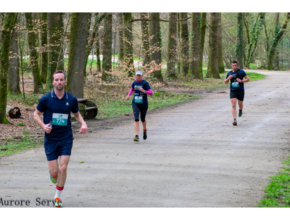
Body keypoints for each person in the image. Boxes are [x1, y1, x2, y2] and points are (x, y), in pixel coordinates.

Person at [34, 70, 87, 207]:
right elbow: (36, 114)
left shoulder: (71, 99)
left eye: (61, 80)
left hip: (66, 137)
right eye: (56, 80)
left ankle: (57, 196)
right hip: (51, 139)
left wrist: (83, 123)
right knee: (55, 172)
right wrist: (43, 126)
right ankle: (54, 175)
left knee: (63, 168)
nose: (59, 82)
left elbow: (76, 114)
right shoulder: (46, 99)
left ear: (65, 81)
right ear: (53, 82)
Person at [126, 70, 153, 141]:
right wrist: (128, 95)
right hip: (135, 103)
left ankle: (144, 130)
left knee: (143, 119)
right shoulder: (134, 83)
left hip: (143, 104)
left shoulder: (145, 83)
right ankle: (136, 135)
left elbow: (151, 93)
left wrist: (144, 91)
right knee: (136, 119)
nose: (138, 77)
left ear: (142, 76)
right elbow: (132, 89)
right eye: (137, 75)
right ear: (135, 76)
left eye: (139, 75)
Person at [224, 61, 250, 126]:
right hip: (233, 90)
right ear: (231, 66)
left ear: (237, 65)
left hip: (240, 90)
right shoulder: (229, 73)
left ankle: (240, 109)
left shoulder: (241, 72)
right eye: (233, 65)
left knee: (240, 104)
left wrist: (241, 81)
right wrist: (228, 78)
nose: (234, 66)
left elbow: (248, 79)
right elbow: (225, 82)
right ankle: (234, 119)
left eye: (235, 65)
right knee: (233, 104)